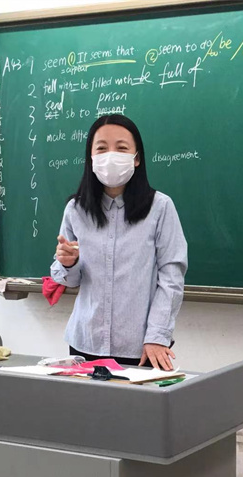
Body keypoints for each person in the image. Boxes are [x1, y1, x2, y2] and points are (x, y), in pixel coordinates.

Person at [51, 114, 187, 370]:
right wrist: (68, 263)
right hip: (85, 343)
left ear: (136, 158)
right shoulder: (76, 209)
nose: (111, 155)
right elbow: (68, 280)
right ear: (91, 157)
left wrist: (157, 336)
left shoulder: (160, 208)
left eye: (121, 148)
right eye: (102, 148)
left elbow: (172, 277)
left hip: (142, 347)